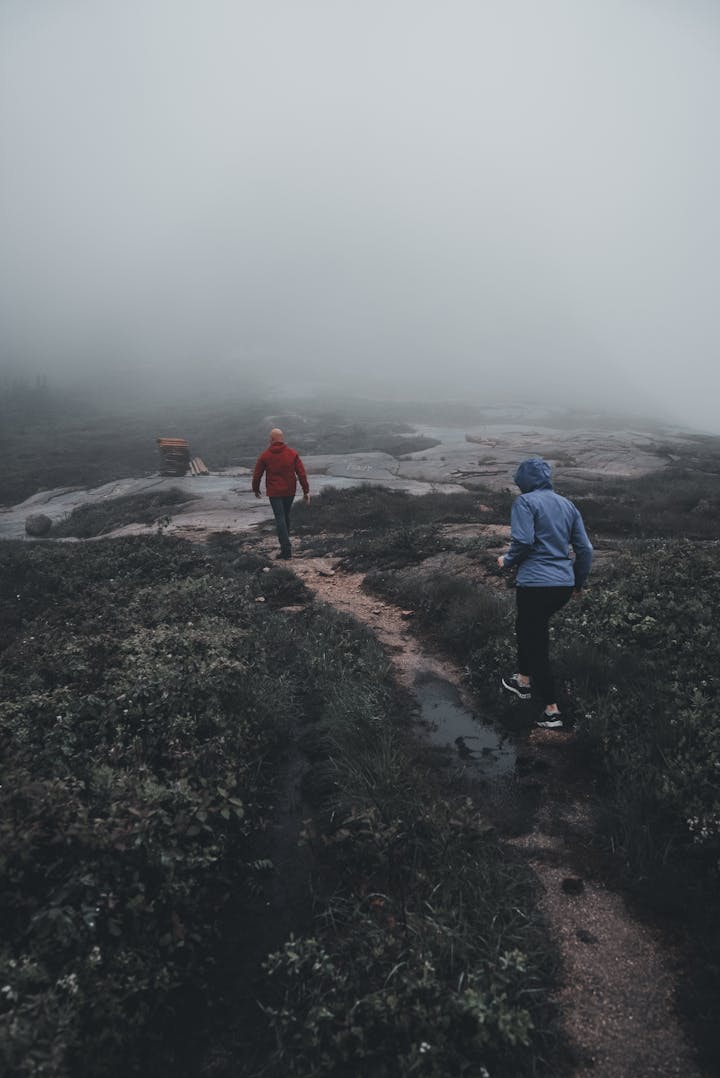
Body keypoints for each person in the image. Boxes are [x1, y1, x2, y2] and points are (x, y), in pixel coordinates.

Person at [497, 457, 592, 729]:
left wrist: (508, 559)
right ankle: (522, 681)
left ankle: (552, 710)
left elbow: (524, 541)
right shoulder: (568, 505)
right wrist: (578, 582)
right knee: (526, 627)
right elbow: (585, 550)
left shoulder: (525, 503)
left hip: (535, 585)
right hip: (562, 585)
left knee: (535, 640)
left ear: (524, 481)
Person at [252, 428, 310, 559]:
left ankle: (286, 549)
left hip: (274, 492)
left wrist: (255, 488)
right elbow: (301, 473)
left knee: (280, 517)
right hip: (290, 491)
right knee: (285, 516)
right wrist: (306, 491)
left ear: (271, 439)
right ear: (282, 438)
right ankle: (286, 547)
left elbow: (257, 475)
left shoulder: (265, 455)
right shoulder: (292, 454)